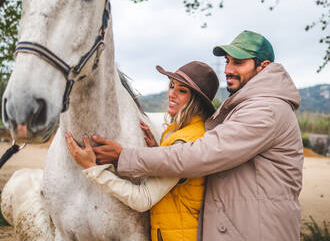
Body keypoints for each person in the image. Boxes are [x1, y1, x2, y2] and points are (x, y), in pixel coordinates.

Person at [83, 30, 304, 241]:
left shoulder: (265, 109)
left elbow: (202, 154)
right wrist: (160, 149)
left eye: (238, 62)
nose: (228, 69)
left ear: (263, 66)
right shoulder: (250, 106)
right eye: (227, 61)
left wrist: (123, 157)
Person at [65, 61, 220, 241]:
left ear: (197, 101)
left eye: (182, 91)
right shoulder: (184, 133)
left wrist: (93, 169)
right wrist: (158, 151)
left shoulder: (183, 140)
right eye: (172, 86)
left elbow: (142, 199)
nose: (172, 94)